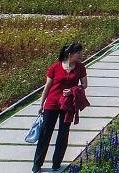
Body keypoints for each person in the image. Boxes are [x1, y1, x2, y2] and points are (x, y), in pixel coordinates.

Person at [33, 42, 88, 173]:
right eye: (78, 52)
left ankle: (56, 163)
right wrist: (41, 104)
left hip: (68, 105)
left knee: (63, 133)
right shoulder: (55, 67)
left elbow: (84, 85)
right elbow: (47, 87)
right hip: (52, 104)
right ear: (70, 54)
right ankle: (37, 164)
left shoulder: (80, 67)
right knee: (45, 133)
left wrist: (73, 90)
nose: (80, 54)